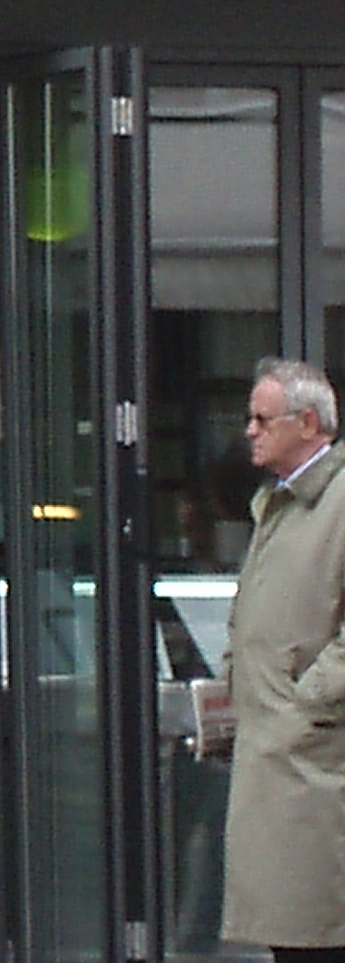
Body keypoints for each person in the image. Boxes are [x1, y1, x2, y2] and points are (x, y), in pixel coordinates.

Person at [220, 357, 345, 963]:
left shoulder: (335, 503)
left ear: (308, 423)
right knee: (292, 939)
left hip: (314, 767)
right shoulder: (278, 503)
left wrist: (304, 703)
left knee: (315, 937)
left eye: (262, 419)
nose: (250, 430)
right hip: (281, 760)